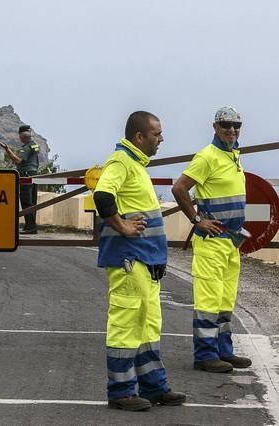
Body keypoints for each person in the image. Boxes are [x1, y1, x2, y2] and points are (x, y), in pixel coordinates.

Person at [93, 111, 186, 411]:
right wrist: (122, 226)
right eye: (157, 133)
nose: (161, 138)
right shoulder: (121, 162)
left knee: (147, 325)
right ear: (139, 137)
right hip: (128, 260)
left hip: (146, 263)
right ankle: (120, 391)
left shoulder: (135, 165)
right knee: (126, 323)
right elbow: (103, 196)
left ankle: (154, 386)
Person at [171, 106, 251, 374]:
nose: (232, 129)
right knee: (208, 299)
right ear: (215, 127)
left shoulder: (233, 155)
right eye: (226, 124)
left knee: (225, 299)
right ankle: (205, 354)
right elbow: (179, 187)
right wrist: (196, 220)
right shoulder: (207, 156)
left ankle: (223, 350)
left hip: (230, 241)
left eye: (236, 125)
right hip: (211, 241)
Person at [0, 124, 39, 234]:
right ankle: (30, 226)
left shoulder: (26, 147)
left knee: (26, 201)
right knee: (33, 201)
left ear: (22, 136)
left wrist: (8, 151)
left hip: (25, 175)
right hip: (34, 174)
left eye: (20, 136)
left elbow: (18, 161)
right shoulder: (34, 145)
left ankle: (30, 227)